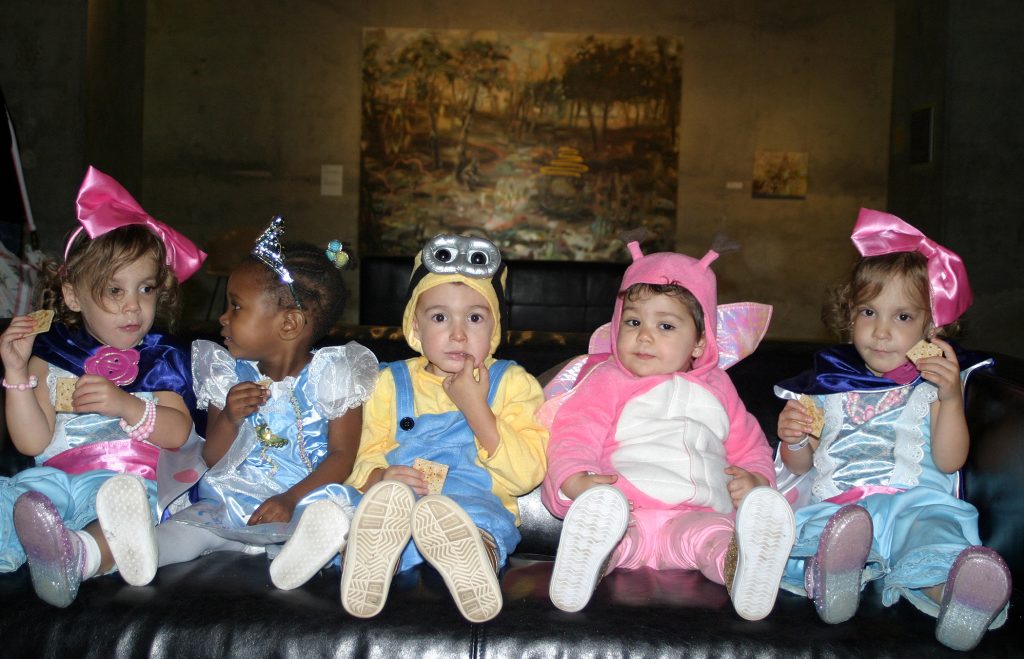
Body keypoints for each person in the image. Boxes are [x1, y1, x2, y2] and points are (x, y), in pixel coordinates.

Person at [774, 208, 1011, 652]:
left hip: (916, 504)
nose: (881, 332)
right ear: (849, 315)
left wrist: (951, 400)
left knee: (935, 535)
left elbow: (950, 460)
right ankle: (836, 579)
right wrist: (794, 439)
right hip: (842, 504)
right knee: (834, 529)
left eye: (902, 317)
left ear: (932, 326)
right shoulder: (827, 384)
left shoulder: (938, 384)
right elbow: (801, 466)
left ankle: (958, 601)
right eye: (868, 311)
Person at [95, 217, 377, 589]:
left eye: (236, 307)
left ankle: (297, 555)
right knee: (193, 527)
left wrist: (290, 499)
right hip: (236, 496)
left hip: (305, 496)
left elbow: (342, 457)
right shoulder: (226, 374)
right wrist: (229, 416)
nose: (222, 318)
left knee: (327, 520)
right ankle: (143, 553)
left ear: (289, 324)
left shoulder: (335, 374)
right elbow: (212, 458)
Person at [540, 241, 795, 621]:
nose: (644, 336)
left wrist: (756, 481)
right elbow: (574, 434)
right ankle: (589, 559)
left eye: (665, 325)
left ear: (700, 341)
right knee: (614, 538)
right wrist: (576, 481)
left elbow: (752, 446)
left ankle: (743, 568)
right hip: (627, 511)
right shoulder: (607, 379)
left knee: (716, 539)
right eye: (633, 322)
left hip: (697, 515)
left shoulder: (720, 388)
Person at [0, 166, 206, 607]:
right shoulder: (52, 355)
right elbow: (31, 439)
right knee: (15, 495)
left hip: (128, 480)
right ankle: (20, 546)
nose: (134, 306)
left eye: (146, 289)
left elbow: (179, 434)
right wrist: (16, 375)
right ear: (73, 296)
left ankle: (74, 556)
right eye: (114, 291)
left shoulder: (160, 357)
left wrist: (127, 406)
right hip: (56, 478)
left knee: (129, 512)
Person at [334, 234, 547, 624]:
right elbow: (361, 456)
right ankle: (369, 558)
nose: (459, 333)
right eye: (439, 317)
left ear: (495, 326)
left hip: (473, 510)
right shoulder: (387, 382)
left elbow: (526, 474)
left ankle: (470, 562)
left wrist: (475, 407)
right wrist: (378, 477)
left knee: (479, 523)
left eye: (475, 317)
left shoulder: (513, 382)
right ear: (414, 325)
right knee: (371, 509)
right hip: (397, 506)